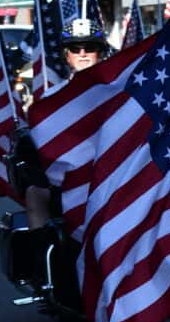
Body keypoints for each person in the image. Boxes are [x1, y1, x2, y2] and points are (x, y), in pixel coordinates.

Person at [24, 18, 108, 229]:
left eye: (89, 47)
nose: (82, 54)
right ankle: (43, 257)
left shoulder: (120, 91)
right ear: (66, 55)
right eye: (75, 48)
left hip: (112, 176)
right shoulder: (51, 98)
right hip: (65, 180)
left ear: (101, 52)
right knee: (35, 195)